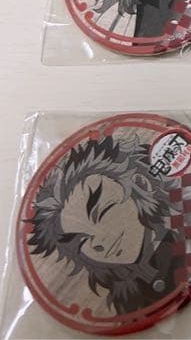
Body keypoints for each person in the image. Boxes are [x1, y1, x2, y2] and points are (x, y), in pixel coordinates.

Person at [27, 134, 180, 314]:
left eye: (102, 213)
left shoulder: (187, 239)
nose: (98, 242)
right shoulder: (126, 299)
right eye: (81, 240)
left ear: (140, 185)